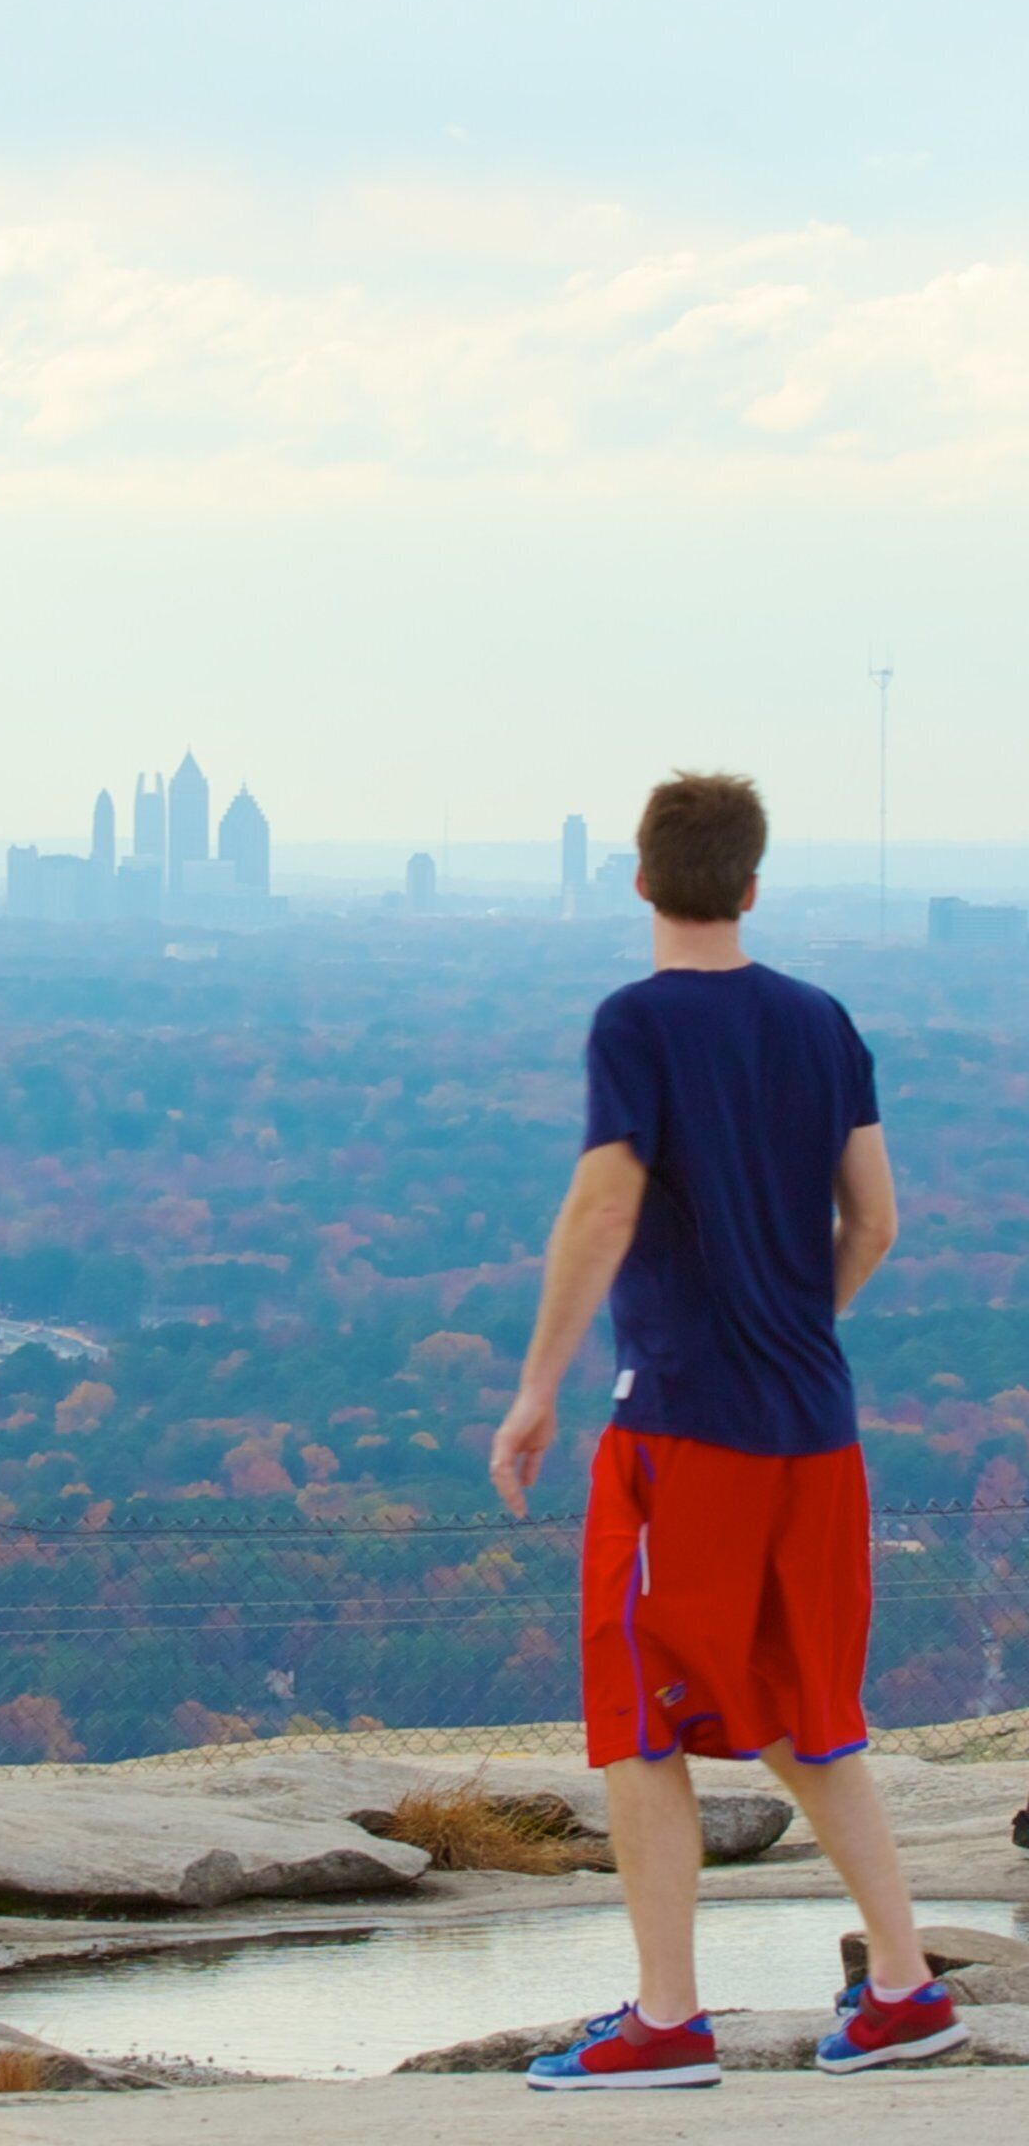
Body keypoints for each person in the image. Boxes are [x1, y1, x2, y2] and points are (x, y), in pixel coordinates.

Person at [488, 772, 964, 2088]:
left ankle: (666, 2022)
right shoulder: (822, 1022)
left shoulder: (636, 1024)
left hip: (684, 1431)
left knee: (642, 1713)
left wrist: (537, 1389)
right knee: (811, 1711)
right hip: (816, 1428)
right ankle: (907, 1988)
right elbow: (875, 1221)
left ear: (640, 881)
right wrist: (796, 1322)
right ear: (751, 885)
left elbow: (601, 1212)